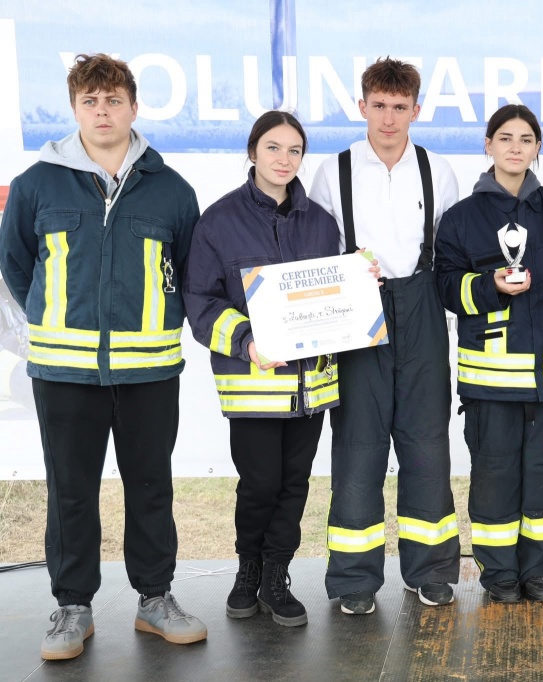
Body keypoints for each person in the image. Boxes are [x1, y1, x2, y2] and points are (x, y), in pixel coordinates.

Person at [0, 53, 206, 660]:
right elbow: (16, 265)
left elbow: (189, 270)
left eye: (113, 100)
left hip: (149, 371)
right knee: (71, 491)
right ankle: (73, 608)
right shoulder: (37, 184)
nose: (102, 111)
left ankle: (155, 600)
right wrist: (56, 318)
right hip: (63, 372)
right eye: (90, 101)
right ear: (74, 108)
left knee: (151, 487)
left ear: (134, 107)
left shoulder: (172, 189)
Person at [183, 111, 347, 627]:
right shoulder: (218, 221)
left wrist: (359, 284)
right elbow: (200, 300)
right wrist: (247, 341)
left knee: (294, 484)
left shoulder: (322, 223)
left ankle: (277, 577)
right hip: (254, 385)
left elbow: (335, 295)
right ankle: (246, 572)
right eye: (273, 147)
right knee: (258, 485)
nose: (284, 159)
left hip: (309, 386)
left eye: (294, 150)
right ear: (253, 152)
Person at [309, 57, 460, 615]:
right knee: (358, 447)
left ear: (416, 110)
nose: (389, 118)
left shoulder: (438, 170)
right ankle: (354, 579)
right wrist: (347, 273)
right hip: (359, 315)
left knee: (427, 445)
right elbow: (317, 253)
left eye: (400, 107)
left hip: (421, 309)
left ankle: (432, 571)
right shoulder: (334, 171)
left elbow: (448, 251)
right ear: (362, 106)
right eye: (379, 106)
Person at [434, 104, 543, 603]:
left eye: (526, 139)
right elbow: (446, 287)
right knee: (494, 481)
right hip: (490, 380)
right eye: (505, 138)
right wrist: (490, 286)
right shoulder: (461, 218)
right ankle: (498, 575)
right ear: (488, 144)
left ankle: (540, 573)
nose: (515, 147)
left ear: (538, 147)